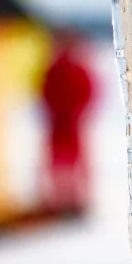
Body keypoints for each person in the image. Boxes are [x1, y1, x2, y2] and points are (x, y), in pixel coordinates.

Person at [39, 29, 96, 215]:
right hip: (62, 124)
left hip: (69, 125)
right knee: (62, 163)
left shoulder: (65, 68)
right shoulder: (56, 68)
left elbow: (88, 91)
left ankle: (71, 200)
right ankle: (65, 200)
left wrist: (75, 112)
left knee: (67, 163)